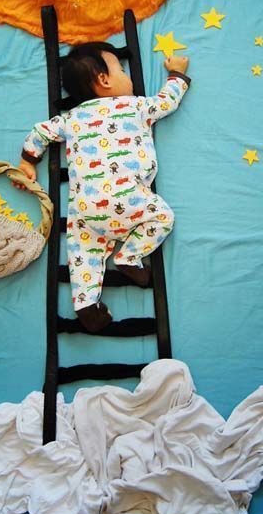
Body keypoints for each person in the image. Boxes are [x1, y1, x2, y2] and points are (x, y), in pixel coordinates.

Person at [16, 43, 191, 333]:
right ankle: (130, 256)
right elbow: (166, 102)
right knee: (162, 217)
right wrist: (177, 74)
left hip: (87, 207)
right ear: (104, 79)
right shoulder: (135, 106)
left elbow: (40, 132)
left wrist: (27, 161)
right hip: (130, 199)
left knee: (82, 252)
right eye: (121, 70)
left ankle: (87, 306)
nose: (127, 76)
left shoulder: (71, 118)